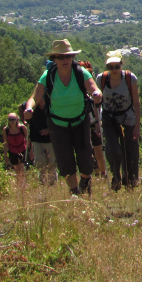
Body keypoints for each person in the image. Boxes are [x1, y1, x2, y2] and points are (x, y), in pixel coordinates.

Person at [23, 40, 102, 196]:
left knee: (86, 160)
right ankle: (75, 192)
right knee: (65, 161)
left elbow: (93, 87)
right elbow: (35, 96)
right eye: (60, 57)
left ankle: (85, 180)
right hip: (57, 124)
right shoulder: (48, 76)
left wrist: (97, 94)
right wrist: (28, 108)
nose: (65, 60)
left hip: (80, 121)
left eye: (68, 57)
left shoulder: (80, 73)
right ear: (54, 59)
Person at [96, 53, 141, 191]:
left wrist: (137, 125)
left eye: (117, 66)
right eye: (110, 66)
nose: (114, 69)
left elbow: (136, 102)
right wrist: (98, 124)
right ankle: (116, 179)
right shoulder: (101, 79)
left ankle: (131, 180)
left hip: (128, 115)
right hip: (109, 117)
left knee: (131, 149)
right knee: (113, 149)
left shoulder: (129, 78)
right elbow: (97, 102)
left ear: (121, 64)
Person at [78, 61, 107, 179]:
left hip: (94, 124)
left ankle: (103, 174)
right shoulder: (79, 91)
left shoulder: (94, 92)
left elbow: (97, 107)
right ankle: (94, 173)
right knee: (87, 153)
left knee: (99, 152)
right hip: (82, 124)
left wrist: (98, 124)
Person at [26, 96, 57, 185]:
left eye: (43, 97)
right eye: (40, 98)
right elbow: (22, 107)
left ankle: (53, 181)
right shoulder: (33, 110)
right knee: (40, 162)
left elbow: (56, 122)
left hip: (50, 139)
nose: (42, 100)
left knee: (51, 161)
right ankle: (42, 181)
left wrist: (48, 130)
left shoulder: (51, 108)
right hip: (37, 138)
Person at [2, 113, 28, 188]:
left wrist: (31, 151)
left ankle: (24, 184)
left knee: (22, 169)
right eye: (10, 119)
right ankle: (19, 184)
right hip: (12, 151)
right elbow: (5, 143)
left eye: (13, 119)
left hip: (22, 150)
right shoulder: (6, 130)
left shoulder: (22, 128)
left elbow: (28, 139)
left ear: (17, 119)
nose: (12, 121)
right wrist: (5, 156)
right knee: (16, 169)